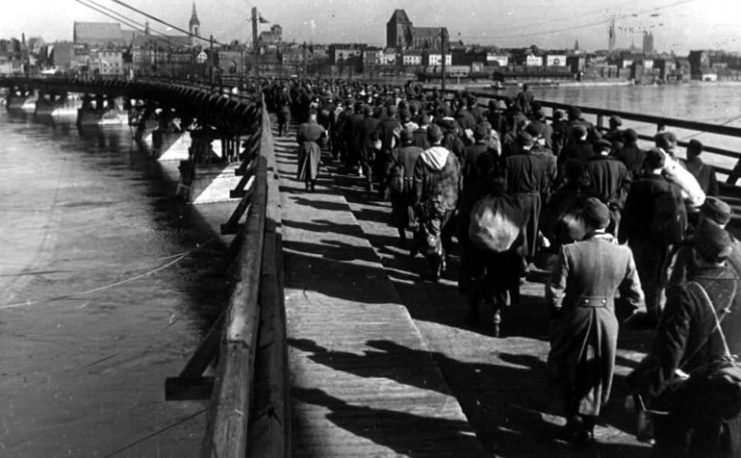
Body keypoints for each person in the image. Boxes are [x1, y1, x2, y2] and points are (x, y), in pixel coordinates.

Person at [628, 221, 741, 458]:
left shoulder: (688, 293)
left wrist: (646, 394)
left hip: (692, 394)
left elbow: (669, 353)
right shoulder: (738, 285)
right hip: (730, 392)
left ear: (697, 256)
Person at [547, 198, 644, 443]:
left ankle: (572, 419)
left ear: (585, 222)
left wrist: (558, 312)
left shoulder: (570, 250)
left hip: (575, 315)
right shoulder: (624, 253)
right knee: (600, 371)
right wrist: (615, 313)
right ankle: (590, 425)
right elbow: (635, 296)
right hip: (606, 317)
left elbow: (555, 290)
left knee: (569, 366)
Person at [620, 148, 685, 325]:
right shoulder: (672, 188)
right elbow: (681, 217)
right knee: (659, 275)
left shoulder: (638, 185)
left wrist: (622, 236)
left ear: (646, 163)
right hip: (662, 240)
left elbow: (628, 213)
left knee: (640, 272)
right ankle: (654, 309)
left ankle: (645, 310)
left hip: (640, 238)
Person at [412, 124, 461, 281]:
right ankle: (444, 260)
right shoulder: (452, 157)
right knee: (446, 234)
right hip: (450, 202)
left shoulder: (423, 157)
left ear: (428, 139)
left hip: (431, 202)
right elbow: (458, 180)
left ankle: (435, 269)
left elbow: (418, 183)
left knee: (432, 236)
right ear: (441, 137)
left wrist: (417, 202)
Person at [585, 139, 632, 237]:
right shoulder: (620, 165)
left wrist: (600, 199)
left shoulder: (589, 165)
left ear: (594, 150)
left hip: (596, 209)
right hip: (615, 208)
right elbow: (627, 185)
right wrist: (615, 199)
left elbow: (585, 186)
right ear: (609, 151)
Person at [387, 129, 424, 245]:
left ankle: (402, 236)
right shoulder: (420, 151)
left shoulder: (396, 151)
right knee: (416, 210)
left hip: (400, 186)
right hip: (416, 185)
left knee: (399, 210)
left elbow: (388, 170)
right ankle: (416, 236)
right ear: (412, 139)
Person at [296, 109, 327, 192]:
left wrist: (302, 144)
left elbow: (298, 138)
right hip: (315, 147)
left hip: (304, 146)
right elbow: (324, 140)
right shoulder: (320, 128)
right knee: (315, 166)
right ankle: (313, 184)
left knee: (305, 165)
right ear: (315, 117)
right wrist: (321, 146)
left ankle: (307, 184)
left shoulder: (302, 126)